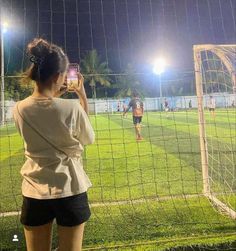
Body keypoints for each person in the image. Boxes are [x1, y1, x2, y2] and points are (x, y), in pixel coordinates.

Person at [13, 38, 95, 251]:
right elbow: (88, 138)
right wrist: (82, 95)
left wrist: (53, 94)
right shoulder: (71, 108)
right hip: (70, 187)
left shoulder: (19, 109)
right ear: (59, 76)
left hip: (34, 191)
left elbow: (44, 110)